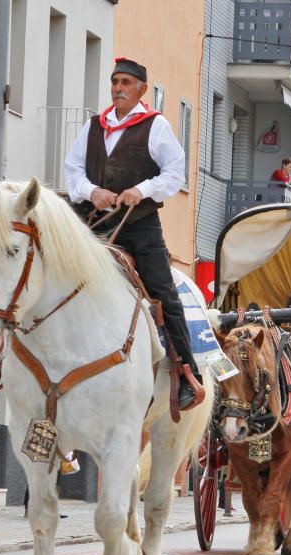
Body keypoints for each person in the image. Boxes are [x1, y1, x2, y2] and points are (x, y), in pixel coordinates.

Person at [64, 57, 203, 410]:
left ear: (142, 88)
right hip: (93, 220)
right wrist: (90, 191)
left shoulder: (155, 126)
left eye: (126, 82)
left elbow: (175, 173)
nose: (118, 88)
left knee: (163, 292)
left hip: (138, 224)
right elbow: (73, 170)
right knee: (54, 271)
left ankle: (188, 373)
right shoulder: (94, 126)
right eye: (114, 82)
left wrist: (140, 190)